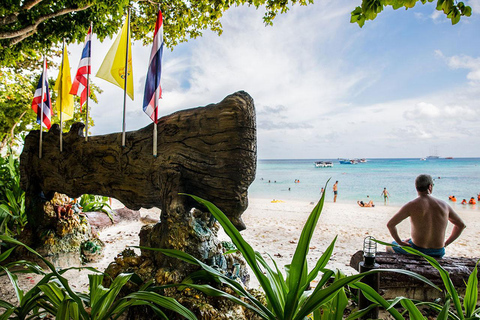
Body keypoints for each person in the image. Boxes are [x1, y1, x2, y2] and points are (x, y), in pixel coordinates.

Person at [386, 174, 466, 258]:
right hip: (438, 252)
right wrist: (445, 243)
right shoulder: (444, 205)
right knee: (409, 240)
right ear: (430, 187)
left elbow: (390, 225)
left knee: (389, 246)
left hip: (417, 251)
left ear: (416, 187)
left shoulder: (411, 205)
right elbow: (461, 225)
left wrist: (400, 242)